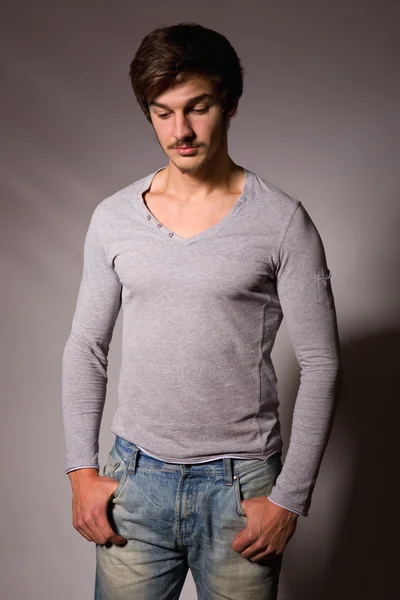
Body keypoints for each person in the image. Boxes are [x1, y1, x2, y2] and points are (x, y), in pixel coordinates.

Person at [62, 22, 341, 600]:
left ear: (230, 104)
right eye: (162, 113)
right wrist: (81, 474)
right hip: (134, 483)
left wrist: (289, 499)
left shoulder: (283, 221)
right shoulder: (114, 218)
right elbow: (86, 346)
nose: (180, 131)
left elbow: (321, 363)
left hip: (241, 487)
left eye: (198, 107)